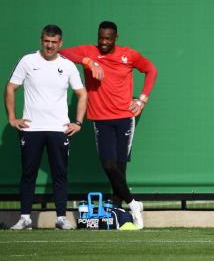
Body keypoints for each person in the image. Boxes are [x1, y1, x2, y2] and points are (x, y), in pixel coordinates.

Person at [59, 21, 157, 229]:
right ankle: (134, 204)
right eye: (101, 38)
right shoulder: (89, 51)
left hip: (124, 118)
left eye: (108, 39)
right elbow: (64, 52)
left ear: (116, 38)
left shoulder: (128, 55)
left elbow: (151, 70)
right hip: (100, 119)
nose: (103, 42)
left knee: (120, 167)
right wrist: (87, 61)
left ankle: (121, 214)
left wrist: (142, 99)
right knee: (108, 165)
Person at [5, 25, 87, 230]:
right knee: (28, 173)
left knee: (60, 173)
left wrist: (77, 122)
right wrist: (13, 118)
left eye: (54, 42)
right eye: (46, 41)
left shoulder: (68, 66)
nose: (50, 46)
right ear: (41, 41)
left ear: (61, 43)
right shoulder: (27, 61)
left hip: (59, 129)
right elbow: (10, 87)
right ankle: (25, 217)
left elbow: (82, 93)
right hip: (31, 129)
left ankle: (61, 218)